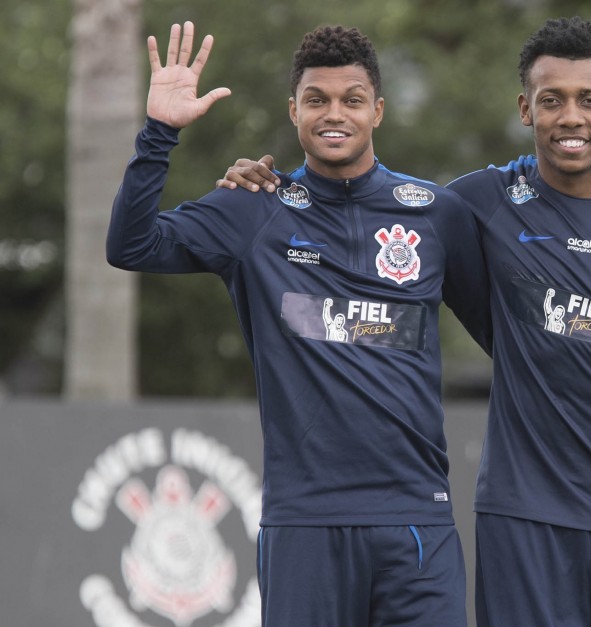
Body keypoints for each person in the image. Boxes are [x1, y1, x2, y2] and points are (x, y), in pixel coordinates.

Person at [221, 16, 591, 626]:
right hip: (520, 514)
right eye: (551, 100)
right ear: (526, 109)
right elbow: (365, 215)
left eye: (588, 100)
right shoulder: (476, 204)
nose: (570, 117)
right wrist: (264, 189)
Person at [107, 21, 492, 627]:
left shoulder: (436, 214)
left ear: (378, 110)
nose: (333, 114)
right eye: (317, 100)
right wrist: (160, 133)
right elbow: (130, 245)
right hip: (304, 522)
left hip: (416, 521)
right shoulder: (251, 209)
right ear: (294, 111)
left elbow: (505, 336)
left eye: (351, 100)